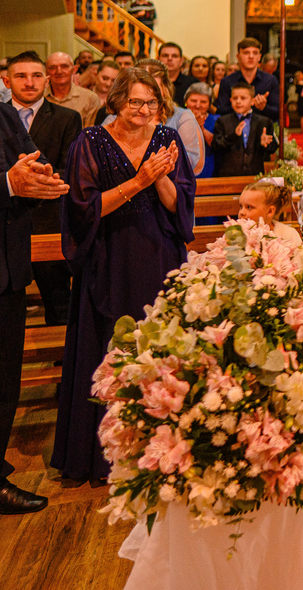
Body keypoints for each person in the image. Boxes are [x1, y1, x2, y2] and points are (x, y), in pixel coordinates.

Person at [53, 67, 195, 482]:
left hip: (159, 254)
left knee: (162, 350)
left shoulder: (167, 139)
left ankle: (162, 452)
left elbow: (178, 205)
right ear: (117, 101)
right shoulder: (91, 141)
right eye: (136, 102)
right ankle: (104, 455)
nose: (144, 110)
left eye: (152, 103)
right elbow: (84, 209)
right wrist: (139, 180)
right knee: (110, 347)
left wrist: (163, 177)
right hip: (109, 257)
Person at [0, 96, 70, 514]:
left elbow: (29, 158)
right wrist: (9, 184)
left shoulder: (5, 110)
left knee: (5, 381)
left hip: (9, 264)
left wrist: (39, 180)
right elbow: (9, 178)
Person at [5, 51, 82, 333]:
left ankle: (64, 371)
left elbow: (70, 167)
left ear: (47, 79)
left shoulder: (66, 117)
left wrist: (32, 182)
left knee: (59, 304)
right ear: (6, 80)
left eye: (37, 75)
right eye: (21, 76)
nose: (29, 82)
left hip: (49, 221)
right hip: (6, 221)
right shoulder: (2, 118)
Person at [212, 82, 277, 176]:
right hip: (228, 176)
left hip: (254, 175)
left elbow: (273, 148)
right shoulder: (222, 121)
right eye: (235, 98)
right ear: (230, 100)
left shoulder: (264, 121)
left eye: (243, 98)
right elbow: (216, 147)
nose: (238, 101)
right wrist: (233, 136)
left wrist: (266, 144)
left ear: (252, 101)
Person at [216, 37, 280, 120]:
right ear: (238, 56)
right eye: (246, 53)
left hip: (262, 129)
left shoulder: (270, 80)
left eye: (255, 53)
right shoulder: (227, 81)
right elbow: (221, 111)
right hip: (234, 130)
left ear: (259, 57)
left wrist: (263, 107)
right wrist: (244, 105)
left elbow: (277, 112)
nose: (251, 56)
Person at [45, 51, 101, 127]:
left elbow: (90, 133)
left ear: (74, 70)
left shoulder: (89, 98)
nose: (59, 71)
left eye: (64, 66)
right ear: (46, 72)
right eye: (52, 68)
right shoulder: (39, 98)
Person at [238, 179, 300, 246]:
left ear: (270, 211)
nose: (241, 212)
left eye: (249, 207)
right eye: (241, 206)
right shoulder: (235, 235)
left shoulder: (288, 235)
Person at [183, 82, 217, 178]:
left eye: (203, 102)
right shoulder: (178, 118)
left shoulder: (217, 120)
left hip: (209, 168)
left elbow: (215, 144)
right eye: (193, 101)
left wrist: (200, 127)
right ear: (186, 102)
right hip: (184, 168)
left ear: (209, 104)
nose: (197, 105)